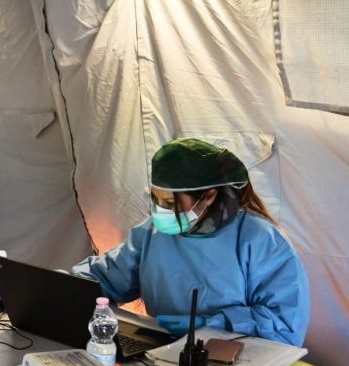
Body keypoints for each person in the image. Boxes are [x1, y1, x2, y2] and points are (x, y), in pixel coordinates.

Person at [72, 138, 310, 347]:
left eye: (171, 204)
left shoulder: (260, 240)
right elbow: (108, 278)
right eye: (156, 200)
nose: (161, 211)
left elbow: (285, 326)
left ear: (209, 196)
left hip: (236, 360)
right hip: (164, 352)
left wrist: (212, 325)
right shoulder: (152, 232)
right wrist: (67, 286)